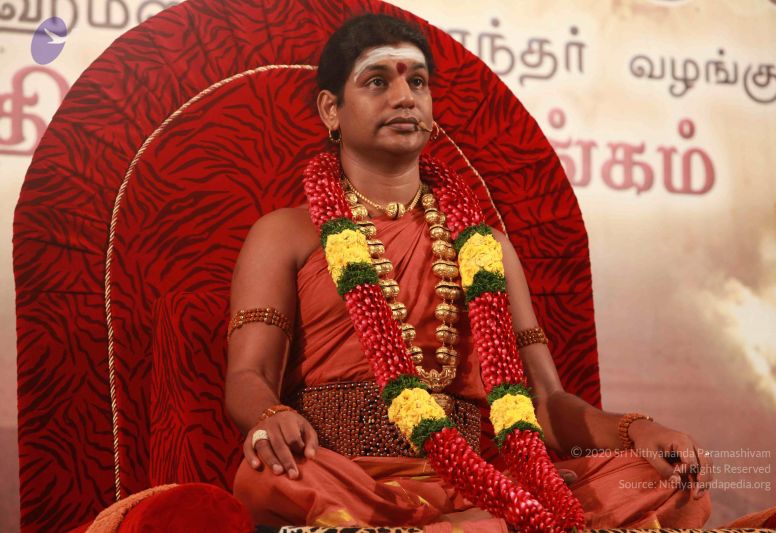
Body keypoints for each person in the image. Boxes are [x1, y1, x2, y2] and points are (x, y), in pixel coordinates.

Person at [225, 13, 712, 530]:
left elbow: (545, 402)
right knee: (268, 476)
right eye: (377, 82)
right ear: (331, 109)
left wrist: (637, 431)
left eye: (417, 82)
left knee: (661, 480)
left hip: (473, 486)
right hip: (348, 480)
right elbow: (249, 376)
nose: (404, 97)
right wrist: (270, 416)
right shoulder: (286, 234)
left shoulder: (488, 247)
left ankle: (466, 523)